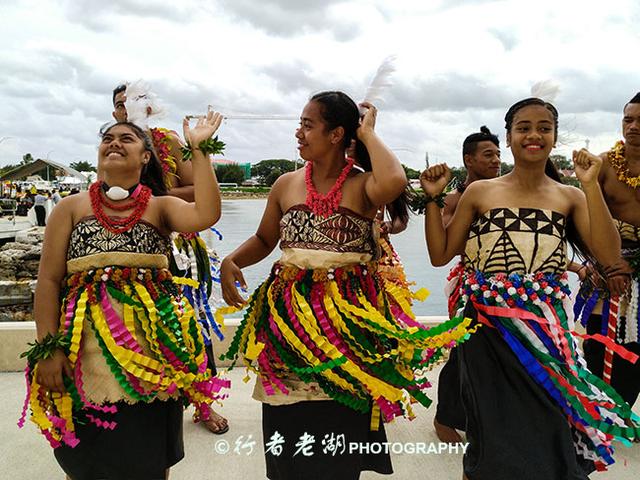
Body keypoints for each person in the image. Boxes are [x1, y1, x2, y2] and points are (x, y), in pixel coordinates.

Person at [218, 91, 469, 480]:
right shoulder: (285, 184)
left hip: (346, 331)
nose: (298, 132)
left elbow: (395, 180)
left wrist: (367, 133)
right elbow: (266, 240)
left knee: (339, 435)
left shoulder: (363, 186)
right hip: (289, 328)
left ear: (336, 134)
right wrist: (232, 259)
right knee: (288, 432)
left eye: (307, 124)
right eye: (299, 124)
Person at [421, 97, 639, 479]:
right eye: (523, 127)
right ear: (509, 137)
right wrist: (433, 198)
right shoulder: (480, 193)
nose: (534, 135)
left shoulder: (569, 196)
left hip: (547, 334)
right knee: (489, 428)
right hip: (485, 332)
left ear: (554, 137)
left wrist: (589, 186)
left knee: (548, 422)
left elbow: (608, 254)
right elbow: (440, 255)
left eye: (544, 127)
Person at [20, 111, 226, 479]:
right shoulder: (70, 208)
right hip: (83, 354)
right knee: (85, 462)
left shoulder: (160, 206)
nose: (114, 142)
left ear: (146, 157)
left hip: (152, 359)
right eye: (108, 138)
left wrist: (200, 150)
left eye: (126, 139)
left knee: (149, 461)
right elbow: (49, 281)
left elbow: (207, 213)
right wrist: (47, 348)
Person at [113, 80, 229, 434]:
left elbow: (197, 190)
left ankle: (204, 403)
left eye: (136, 99)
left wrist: (154, 198)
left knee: (191, 320)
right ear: (115, 110)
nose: (128, 106)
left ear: (150, 106)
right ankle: (145, 397)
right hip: (130, 247)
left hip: (178, 242)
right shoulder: (114, 145)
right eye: (121, 102)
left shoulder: (170, 142)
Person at [434, 126, 501, 444]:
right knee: (462, 351)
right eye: (488, 155)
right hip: (469, 284)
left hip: (506, 287)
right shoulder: (454, 198)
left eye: (499, 154)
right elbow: (447, 244)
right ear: (469, 160)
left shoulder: (504, 192)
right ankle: (445, 418)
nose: (496, 160)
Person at [575, 92, 640, 409]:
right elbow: (582, 221)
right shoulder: (601, 166)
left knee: (636, 349)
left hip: (637, 273)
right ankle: (596, 413)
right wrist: (603, 266)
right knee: (599, 343)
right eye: (628, 119)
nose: (634, 127)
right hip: (604, 271)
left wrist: (633, 267)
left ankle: (622, 411)